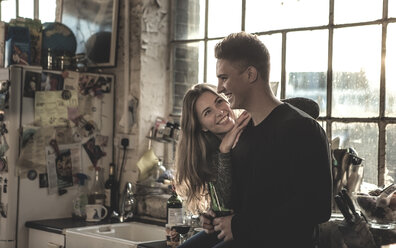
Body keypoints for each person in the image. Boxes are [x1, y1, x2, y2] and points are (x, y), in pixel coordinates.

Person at [199, 31, 333, 247]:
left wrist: (241, 225)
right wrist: (215, 216)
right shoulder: (244, 132)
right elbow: (240, 203)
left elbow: (317, 208)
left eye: (224, 78)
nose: (219, 88)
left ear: (250, 74)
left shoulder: (302, 128)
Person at [174, 83, 250, 248]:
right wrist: (208, 215)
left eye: (219, 102)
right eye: (207, 112)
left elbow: (231, 202)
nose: (220, 111)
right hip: (224, 229)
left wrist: (225, 152)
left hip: (250, 230)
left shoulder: (250, 134)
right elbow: (223, 203)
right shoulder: (210, 154)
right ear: (201, 126)